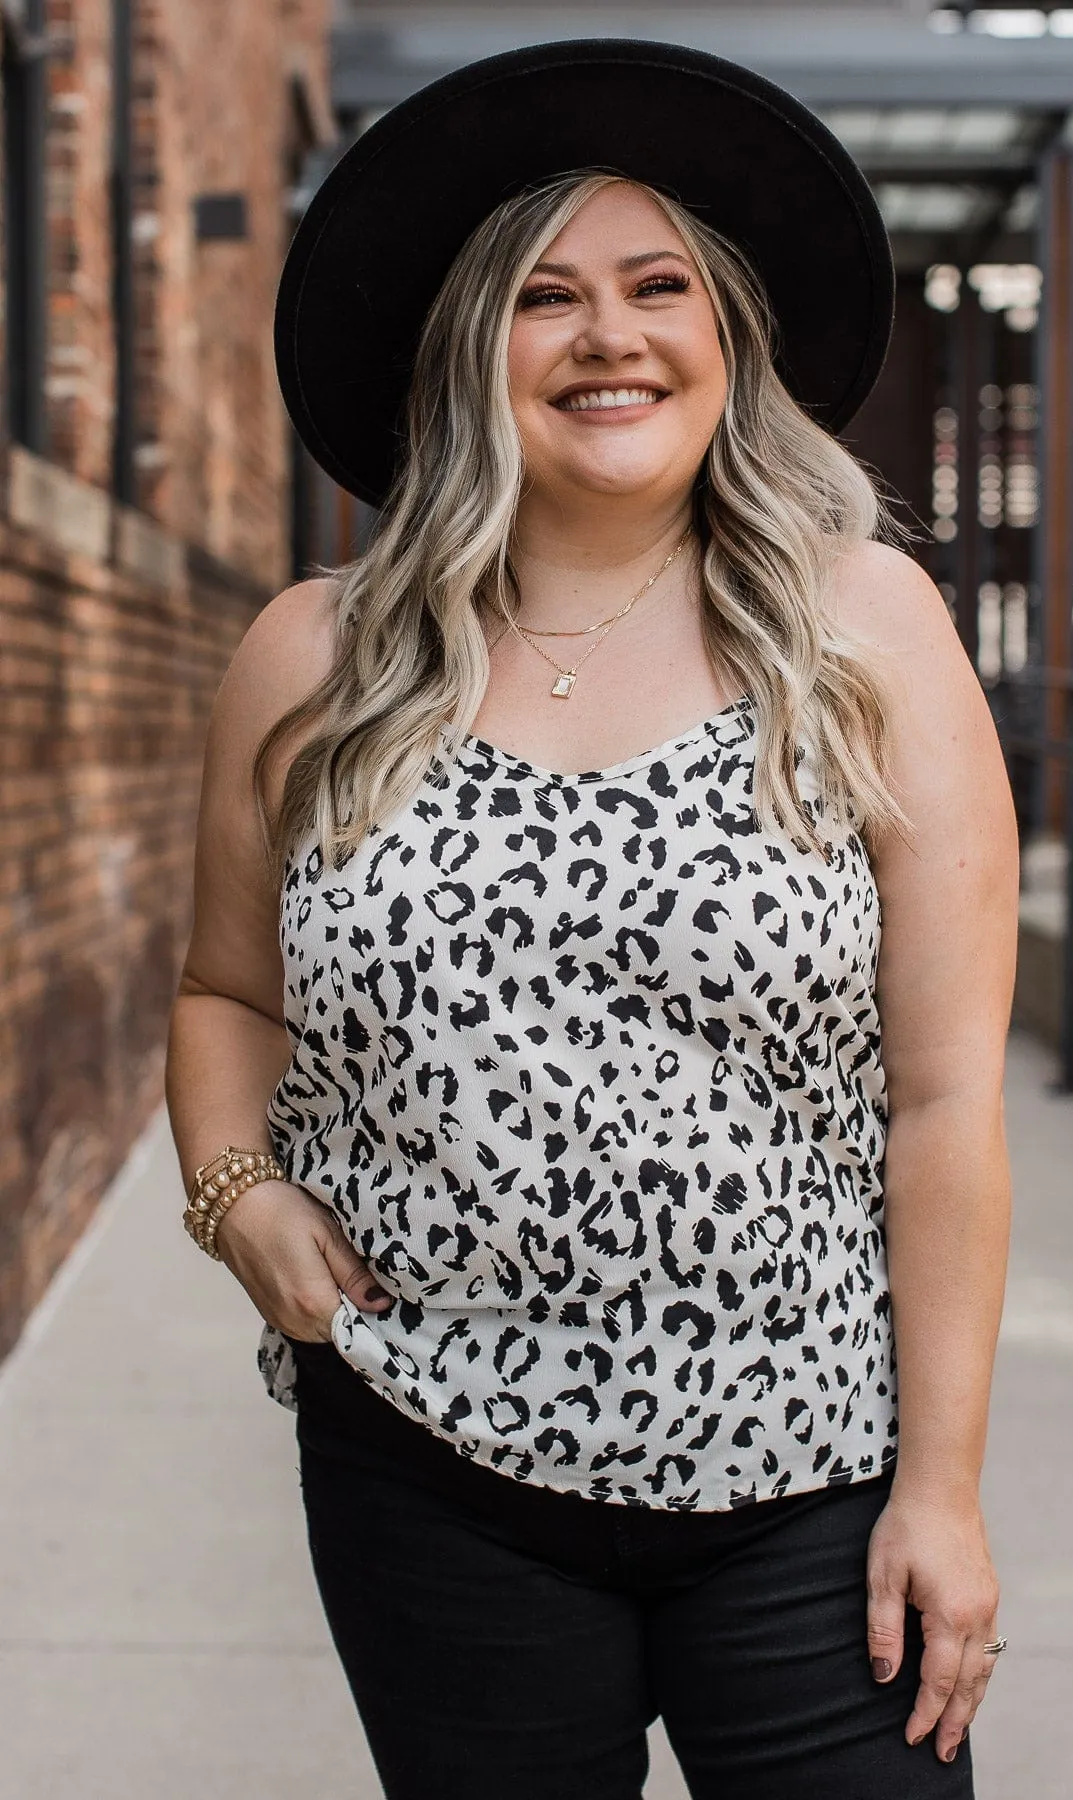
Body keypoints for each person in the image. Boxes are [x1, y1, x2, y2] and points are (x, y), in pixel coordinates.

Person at [165, 39, 1017, 1800]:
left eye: (659, 287)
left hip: (810, 1467)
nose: (608, 336)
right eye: (545, 296)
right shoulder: (316, 658)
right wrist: (237, 1197)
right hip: (429, 1453)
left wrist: (942, 1486)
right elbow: (224, 989)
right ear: (471, 346)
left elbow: (946, 1099)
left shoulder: (868, 632)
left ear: (731, 341)